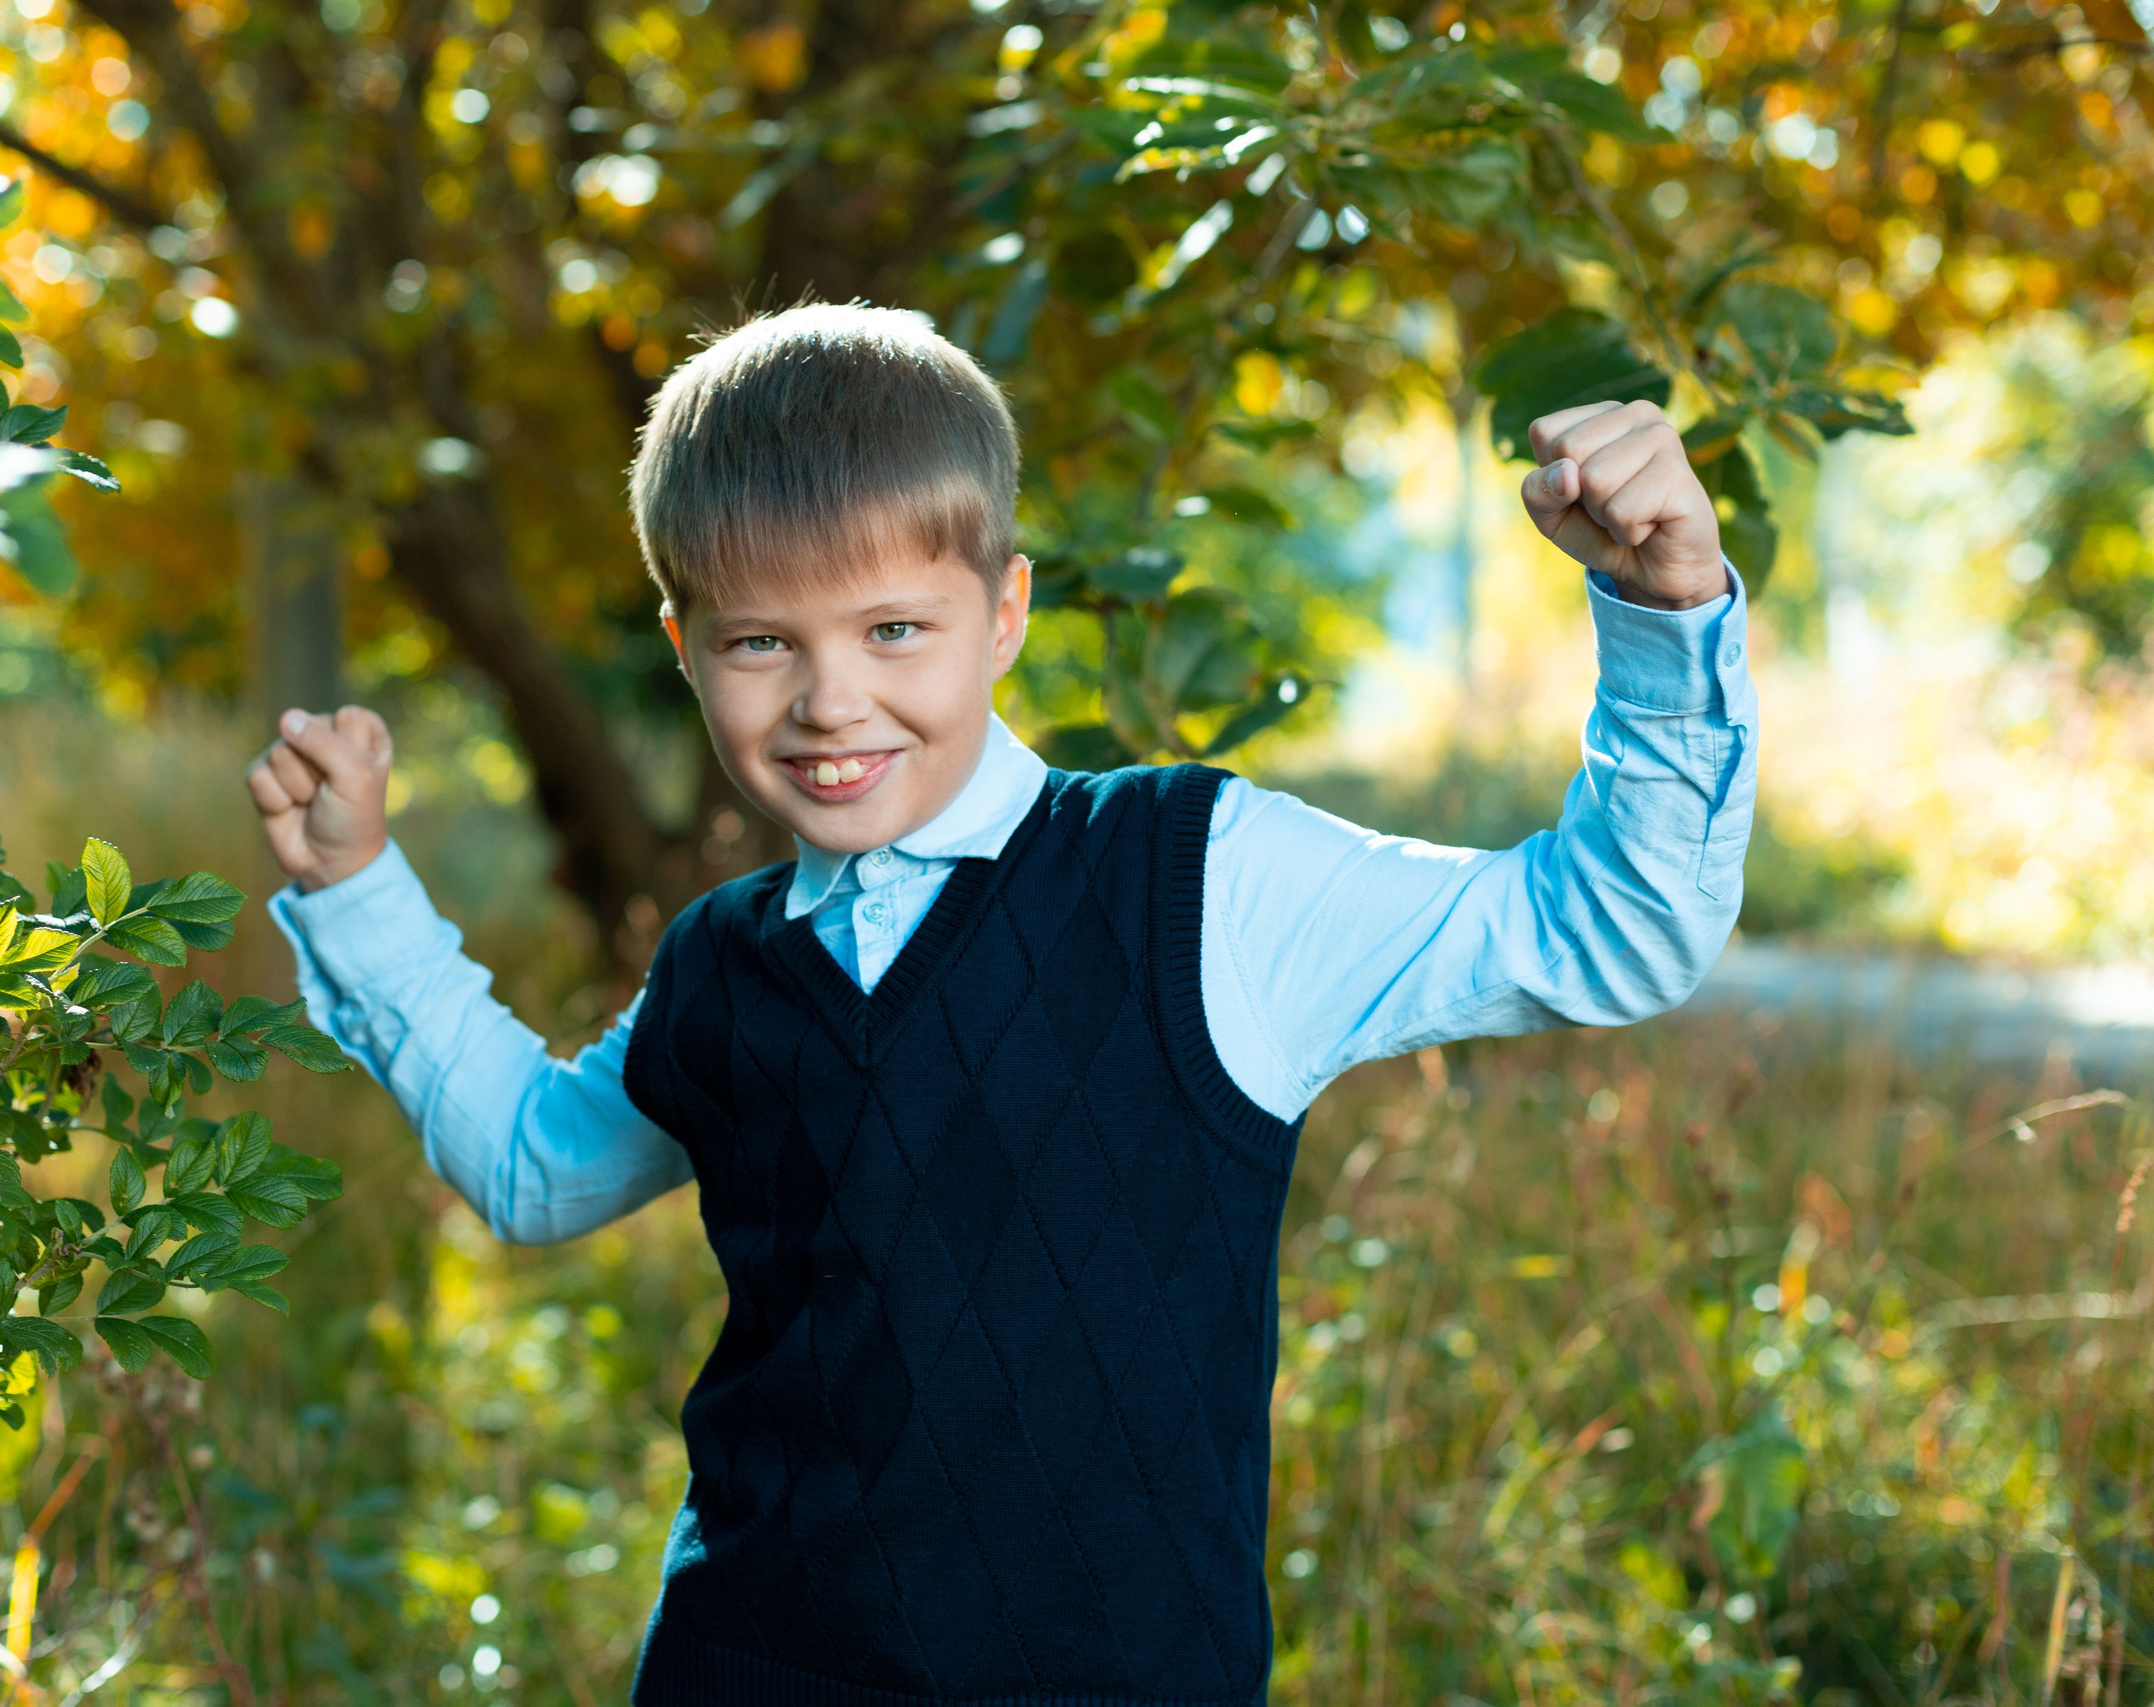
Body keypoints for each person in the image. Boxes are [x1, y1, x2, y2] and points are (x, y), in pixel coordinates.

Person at [246, 303, 1756, 1706]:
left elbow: (1615, 929)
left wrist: (1665, 604)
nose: (832, 701)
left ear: (1006, 610)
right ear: (688, 652)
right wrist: (357, 888)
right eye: (763, 642)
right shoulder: (722, 962)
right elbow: (536, 1167)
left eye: (894, 629)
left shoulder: (1196, 874)